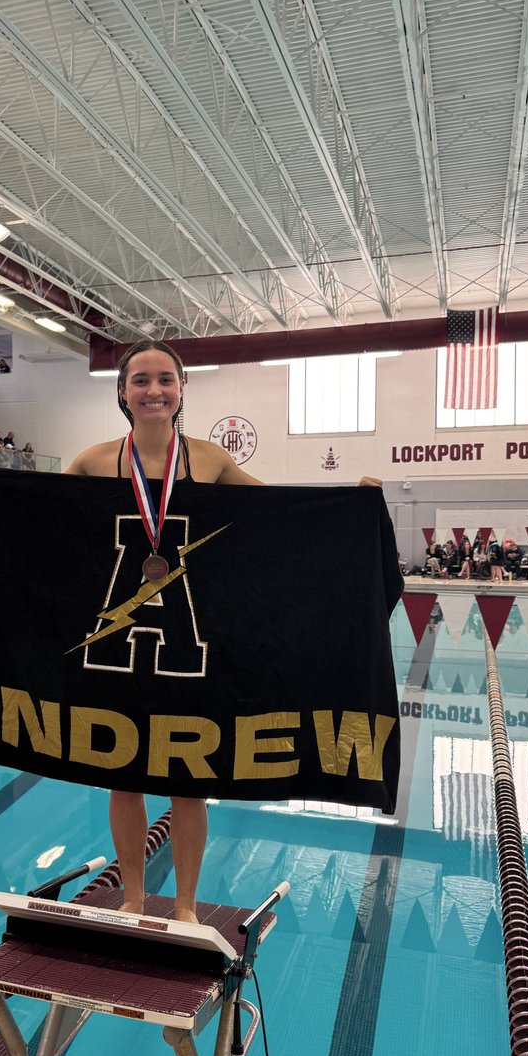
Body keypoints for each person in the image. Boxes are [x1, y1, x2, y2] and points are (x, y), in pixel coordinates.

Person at [66, 339, 381, 923]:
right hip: (120, 647)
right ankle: (132, 896)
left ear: (182, 388)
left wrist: (349, 506)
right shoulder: (92, 463)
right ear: (122, 391)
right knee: (122, 778)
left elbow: (279, 513)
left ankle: (185, 905)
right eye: (141, 380)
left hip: (190, 641)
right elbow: (42, 531)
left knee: (188, 781)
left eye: (165, 379)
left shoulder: (208, 461)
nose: (154, 390)